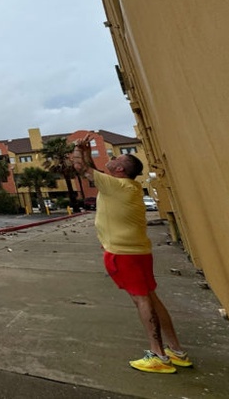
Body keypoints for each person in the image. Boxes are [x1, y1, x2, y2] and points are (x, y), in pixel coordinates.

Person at [71, 133, 192, 374]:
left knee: (141, 300)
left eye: (117, 157)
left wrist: (76, 147)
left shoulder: (116, 186)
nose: (112, 158)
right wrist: (86, 149)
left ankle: (158, 355)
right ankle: (176, 351)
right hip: (138, 251)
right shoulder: (124, 185)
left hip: (123, 254)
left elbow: (80, 168)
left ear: (118, 169)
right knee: (151, 298)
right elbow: (90, 168)